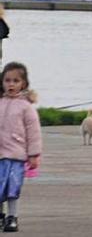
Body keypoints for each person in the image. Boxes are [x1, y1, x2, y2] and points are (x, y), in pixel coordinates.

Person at [0, 62, 41, 233]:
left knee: (12, 187)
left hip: (16, 155)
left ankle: (12, 216)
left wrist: (34, 154)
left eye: (15, 81)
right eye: (7, 80)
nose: (11, 84)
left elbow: (33, 132)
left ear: (23, 84)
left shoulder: (26, 107)